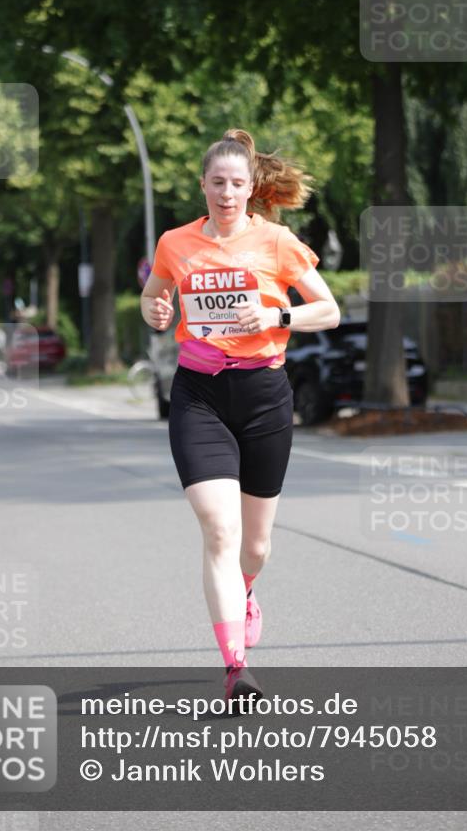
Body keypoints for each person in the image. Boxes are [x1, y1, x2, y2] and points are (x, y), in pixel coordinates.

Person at [140, 129, 341, 704]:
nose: (227, 193)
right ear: (202, 185)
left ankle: (245, 588)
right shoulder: (175, 243)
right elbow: (155, 301)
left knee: (254, 546)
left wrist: (276, 315)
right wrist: (155, 310)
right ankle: (236, 668)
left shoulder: (276, 241)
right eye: (217, 183)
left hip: (263, 395)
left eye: (237, 184)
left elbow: (326, 311)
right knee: (219, 530)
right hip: (199, 394)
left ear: (251, 188)